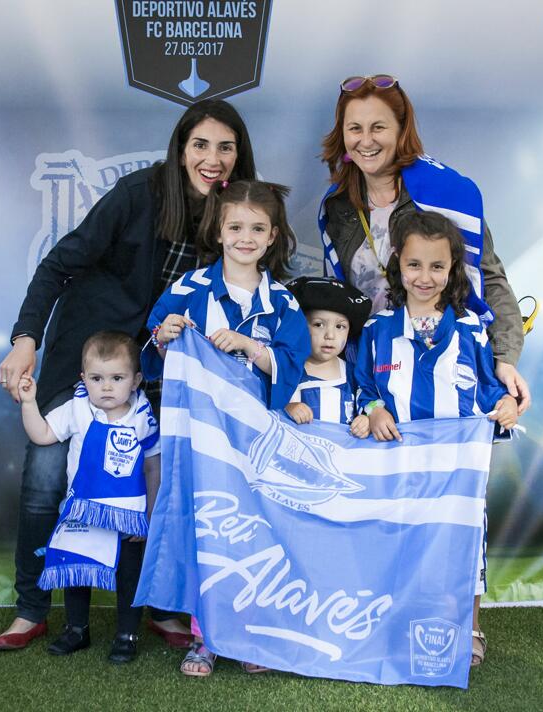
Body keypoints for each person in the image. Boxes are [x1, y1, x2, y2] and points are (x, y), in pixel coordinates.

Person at [0, 99, 257, 651]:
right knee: (47, 477)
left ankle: (162, 607)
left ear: (239, 156)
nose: (212, 159)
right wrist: (25, 340)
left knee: (164, 488)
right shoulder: (139, 194)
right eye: (200, 145)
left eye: (225, 147)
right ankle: (31, 609)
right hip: (92, 361)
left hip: (165, 374)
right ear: (180, 149)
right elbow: (57, 266)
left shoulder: (239, 214)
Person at [145, 179, 310, 676]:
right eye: (235, 227)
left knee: (255, 532)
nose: (245, 237)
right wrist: (163, 335)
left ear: (273, 236)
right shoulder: (188, 289)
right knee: (209, 529)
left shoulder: (283, 302)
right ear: (218, 231)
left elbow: (293, 364)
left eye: (257, 228)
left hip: (256, 441)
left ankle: (252, 634)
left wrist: (251, 347)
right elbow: (153, 348)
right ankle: (207, 636)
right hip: (201, 438)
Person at [349, 210, 518, 667]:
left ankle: (468, 626)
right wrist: (374, 408)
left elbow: (490, 393)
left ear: (452, 269)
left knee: (463, 546)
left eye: (437, 266)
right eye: (414, 265)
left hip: (455, 473)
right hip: (395, 468)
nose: (425, 277)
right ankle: (390, 625)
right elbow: (362, 385)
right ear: (398, 265)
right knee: (395, 544)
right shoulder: (377, 330)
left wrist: (506, 406)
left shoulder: (470, 330)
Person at [317, 74, 531, 415]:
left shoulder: (447, 195)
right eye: (355, 128)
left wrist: (504, 359)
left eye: (378, 127)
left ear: (401, 129)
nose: (366, 141)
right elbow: (336, 299)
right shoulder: (336, 206)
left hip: (444, 372)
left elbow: (489, 280)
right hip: (373, 376)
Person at [18, 332, 159, 664]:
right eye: (97, 378)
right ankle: (76, 629)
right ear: (83, 378)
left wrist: (149, 515)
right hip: (81, 512)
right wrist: (29, 403)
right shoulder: (77, 408)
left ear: (136, 380)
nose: (106, 387)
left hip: (126, 516)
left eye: (117, 378)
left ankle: (127, 635)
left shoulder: (143, 415)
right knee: (76, 570)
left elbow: (154, 466)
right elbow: (42, 434)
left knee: (129, 575)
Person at [283, 277, 371, 425]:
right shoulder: (287, 370)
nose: (330, 335)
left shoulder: (354, 374)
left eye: (340, 327)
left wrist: (365, 420)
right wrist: (288, 408)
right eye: (318, 324)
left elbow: (367, 404)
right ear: (299, 326)